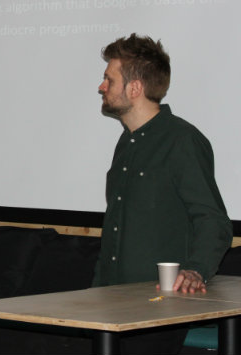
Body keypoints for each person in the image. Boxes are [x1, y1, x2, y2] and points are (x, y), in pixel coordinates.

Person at [93, 33, 232, 353]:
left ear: (135, 88)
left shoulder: (182, 140)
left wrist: (196, 269)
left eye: (109, 79)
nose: (101, 87)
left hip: (158, 309)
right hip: (112, 305)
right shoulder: (126, 144)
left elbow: (213, 220)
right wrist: (95, 294)